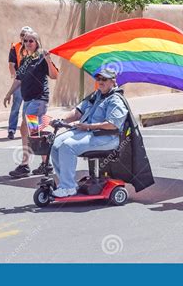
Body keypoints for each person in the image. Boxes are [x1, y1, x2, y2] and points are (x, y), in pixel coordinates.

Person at [49, 69, 128, 197]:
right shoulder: (96, 95)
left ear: (113, 81)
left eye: (104, 79)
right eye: (98, 79)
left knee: (68, 146)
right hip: (88, 132)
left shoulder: (116, 100)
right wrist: (61, 120)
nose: (100, 82)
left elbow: (112, 124)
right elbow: (78, 112)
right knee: (55, 144)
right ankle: (67, 183)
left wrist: (88, 126)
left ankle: (68, 187)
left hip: (106, 137)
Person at [3, 31, 59, 178]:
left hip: (39, 99)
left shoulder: (41, 57)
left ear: (37, 43)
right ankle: (45, 164)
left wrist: (48, 60)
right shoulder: (25, 59)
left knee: (29, 129)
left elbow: (54, 75)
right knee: (32, 131)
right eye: (25, 41)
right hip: (28, 100)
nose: (28, 43)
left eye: (31, 41)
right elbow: (19, 79)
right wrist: (9, 93)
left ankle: (25, 165)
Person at [7, 26, 33, 139]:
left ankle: (32, 131)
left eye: (26, 35)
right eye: (22, 35)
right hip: (20, 81)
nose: (24, 38)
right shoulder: (15, 47)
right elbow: (11, 65)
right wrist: (15, 76)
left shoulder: (35, 48)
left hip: (32, 82)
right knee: (16, 106)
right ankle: (12, 130)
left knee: (32, 107)